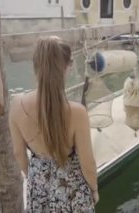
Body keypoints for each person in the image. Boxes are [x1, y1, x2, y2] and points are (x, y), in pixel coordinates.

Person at [9, 36, 98, 212]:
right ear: (66, 67)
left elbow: (18, 153)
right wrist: (94, 189)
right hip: (72, 192)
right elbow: (88, 164)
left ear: (35, 66)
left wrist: (36, 179)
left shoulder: (16, 105)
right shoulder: (77, 112)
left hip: (38, 190)